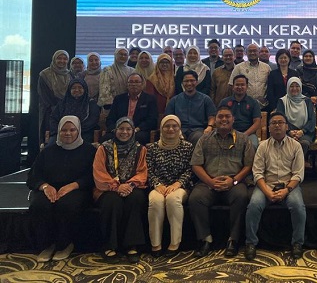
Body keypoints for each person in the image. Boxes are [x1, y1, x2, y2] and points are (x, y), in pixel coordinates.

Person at [27, 116, 96, 262]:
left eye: (72, 130)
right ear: (58, 131)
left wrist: (74, 185)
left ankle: (65, 244)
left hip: (77, 189)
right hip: (49, 188)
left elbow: (93, 176)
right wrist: (45, 186)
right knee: (39, 204)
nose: (68, 133)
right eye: (64, 130)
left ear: (78, 131)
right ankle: (47, 245)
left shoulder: (89, 151)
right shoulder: (48, 151)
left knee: (67, 205)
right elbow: (33, 176)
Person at [189, 104, 255, 257]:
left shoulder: (243, 139)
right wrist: (210, 182)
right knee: (195, 198)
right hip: (208, 182)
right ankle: (205, 239)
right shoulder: (204, 139)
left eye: (227, 116)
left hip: (234, 182)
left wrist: (234, 180)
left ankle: (233, 240)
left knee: (241, 196)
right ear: (215, 120)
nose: (224, 119)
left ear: (233, 119)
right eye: (220, 116)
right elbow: (196, 165)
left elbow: (249, 165)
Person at [245, 111, 306, 261]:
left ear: (287, 127)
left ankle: (297, 243)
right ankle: (251, 243)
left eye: (280, 122)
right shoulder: (262, 146)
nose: (277, 125)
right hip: (266, 184)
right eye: (273, 123)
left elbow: (298, 174)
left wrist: (286, 190)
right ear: (269, 128)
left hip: (289, 185)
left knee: (298, 206)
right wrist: (267, 192)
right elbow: (257, 173)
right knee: (254, 205)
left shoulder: (296, 146)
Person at [93, 117, 148, 263]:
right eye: (121, 129)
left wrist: (130, 185)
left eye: (128, 129)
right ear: (115, 130)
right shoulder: (104, 148)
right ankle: (109, 245)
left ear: (133, 131)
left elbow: (142, 172)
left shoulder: (140, 149)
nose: (124, 132)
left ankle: (132, 245)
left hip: (132, 187)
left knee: (136, 199)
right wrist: (116, 186)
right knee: (112, 201)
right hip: (107, 188)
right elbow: (99, 172)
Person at [146, 115, 194, 257]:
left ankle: (175, 243)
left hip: (181, 186)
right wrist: (157, 184)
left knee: (173, 199)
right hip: (159, 186)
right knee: (155, 201)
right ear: (161, 128)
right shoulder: (152, 148)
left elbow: (191, 169)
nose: (171, 129)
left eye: (174, 126)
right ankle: (156, 244)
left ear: (179, 128)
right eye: (167, 126)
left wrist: (178, 184)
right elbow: (148, 170)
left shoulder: (187, 147)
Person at [105, 73, 158, 145]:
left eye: (137, 82)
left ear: (142, 84)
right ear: (127, 85)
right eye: (131, 82)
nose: (133, 84)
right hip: (119, 130)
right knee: (106, 138)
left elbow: (152, 120)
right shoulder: (119, 99)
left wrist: (136, 129)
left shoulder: (150, 99)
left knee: (138, 137)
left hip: (139, 131)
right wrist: (117, 130)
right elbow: (110, 118)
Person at [165, 70, 217, 145]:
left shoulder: (205, 99)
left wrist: (209, 127)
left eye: (192, 81)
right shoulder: (174, 100)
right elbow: (168, 117)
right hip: (179, 130)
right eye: (186, 81)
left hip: (198, 130)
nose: (189, 83)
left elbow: (212, 116)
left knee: (199, 138)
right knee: (175, 138)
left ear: (197, 82)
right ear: (182, 83)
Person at [49, 78, 100, 145]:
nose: (77, 90)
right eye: (73, 88)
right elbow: (53, 119)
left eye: (80, 87)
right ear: (69, 90)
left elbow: (92, 121)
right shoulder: (62, 103)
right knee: (51, 146)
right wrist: (62, 130)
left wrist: (75, 131)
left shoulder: (91, 103)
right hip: (62, 133)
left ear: (85, 89)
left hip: (84, 133)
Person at [38, 50, 71, 145]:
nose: (62, 61)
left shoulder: (70, 75)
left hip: (66, 111)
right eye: (59, 58)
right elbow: (44, 96)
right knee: (49, 140)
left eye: (65, 59)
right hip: (49, 111)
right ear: (54, 59)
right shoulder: (44, 75)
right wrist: (57, 108)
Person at [276, 77, 316, 156]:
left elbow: (312, 119)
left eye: (297, 86)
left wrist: (302, 131)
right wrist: (289, 132)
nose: (294, 88)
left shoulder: (307, 101)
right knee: (286, 142)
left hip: (305, 132)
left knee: (304, 143)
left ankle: (299, 162)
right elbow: (280, 119)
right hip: (286, 132)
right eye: (291, 86)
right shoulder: (282, 101)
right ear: (288, 87)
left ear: (301, 87)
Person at [220, 75, 262, 148]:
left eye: (242, 85)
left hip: (248, 134)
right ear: (233, 87)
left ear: (247, 86)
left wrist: (244, 135)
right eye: (237, 85)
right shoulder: (225, 102)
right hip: (228, 133)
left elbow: (257, 122)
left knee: (253, 145)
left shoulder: (253, 102)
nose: (239, 87)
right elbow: (219, 119)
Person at [229, 43, 270, 108]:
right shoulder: (239, 67)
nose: (252, 53)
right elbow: (231, 85)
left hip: (263, 106)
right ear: (246, 53)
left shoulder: (266, 67)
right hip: (243, 105)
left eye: (254, 51)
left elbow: (270, 86)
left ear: (258, 52)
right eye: (250, 51)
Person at [144, 53, 175, 123]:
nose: (164, 64)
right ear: (157, 64)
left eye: (167, 62)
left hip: (173, 110)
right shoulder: (151, 79)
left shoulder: (175, 78)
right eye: (162, 62)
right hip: (157, 111)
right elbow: (150, 98)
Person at [266, 48, 300, 112]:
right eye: (281, 58)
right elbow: (270, 92)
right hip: (276, 106)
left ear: (289, 59)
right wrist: (274, 107)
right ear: (277, 60)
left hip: (292, 105)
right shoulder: (272, 74)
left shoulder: (294, 73)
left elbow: (298, 90)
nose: (283, 60)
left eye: (285, 58)